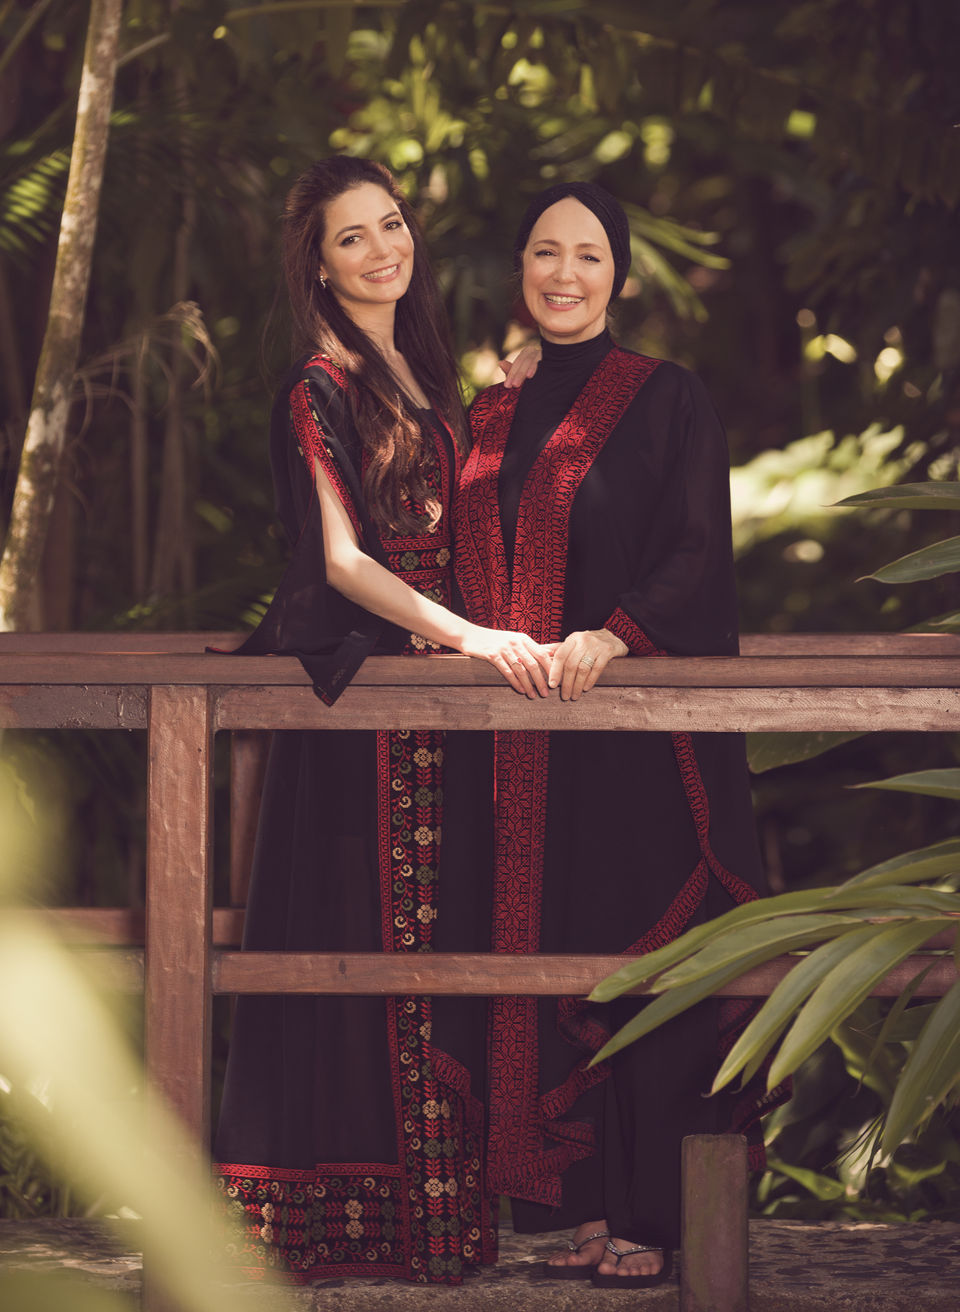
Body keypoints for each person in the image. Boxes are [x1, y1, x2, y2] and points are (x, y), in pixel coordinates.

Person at [213, 156, 551, 1286]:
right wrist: (470, 637)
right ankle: (336, 1223)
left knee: (440, 951)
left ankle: (435, 1222)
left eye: (391, 225)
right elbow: (344, 560)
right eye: (351, 237)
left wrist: (505, 397)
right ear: (318, 264)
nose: (380, 249)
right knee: (359, 948)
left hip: (437, 703)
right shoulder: (318, 385)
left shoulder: (426, 373)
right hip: (365, 704)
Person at [453, 181, 783, 1288]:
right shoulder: (491, 410)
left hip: (642, 738)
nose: (564, 274)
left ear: (622, 277)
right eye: (545, 252)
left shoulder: (667, 397)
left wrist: (616, 635)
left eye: (588, 256)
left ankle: (656, 1214)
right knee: (562, 955)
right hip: (527, 746)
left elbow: (698, 548)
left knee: (651, 953)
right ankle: (589, 1206)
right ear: (521, 270)